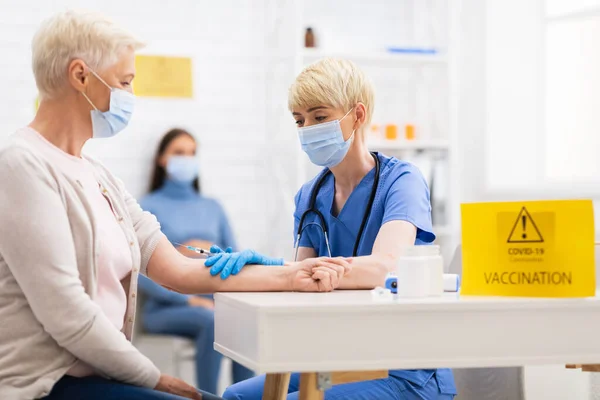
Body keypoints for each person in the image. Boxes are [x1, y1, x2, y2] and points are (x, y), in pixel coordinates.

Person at [0, 11, 350, 400]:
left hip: (97, 379)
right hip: (47, 386)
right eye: (124, 82)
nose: (129, 96)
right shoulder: (21, 164)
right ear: (80, 76)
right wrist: (152, 377)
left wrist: (293, 274)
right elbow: (67, 314)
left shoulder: (99, 177)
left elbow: (177, 270)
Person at [220, 59, 458, 399]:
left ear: (357, 116)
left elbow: (384, 268)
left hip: (405, 369)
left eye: (319, 117)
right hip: (336, 355)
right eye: (299, 120)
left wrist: (295, 271)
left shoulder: (401, 181)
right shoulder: (310, 196)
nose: (307, 129)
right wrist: (263, 269)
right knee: (235, 397)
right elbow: (298, 284)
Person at [138, 128, 254, 394]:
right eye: (179, 153)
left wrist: (209, 253)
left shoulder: (212, 207)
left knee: (245, 321)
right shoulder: (147, 206)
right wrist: (188, 298)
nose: (187, 159)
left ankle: (245, 395)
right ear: (162, 159)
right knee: (213, 319)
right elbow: (140, 270)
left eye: (192, 153)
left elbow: (234, 259)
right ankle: (208, 397)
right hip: (166, 308)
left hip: (214, 304)